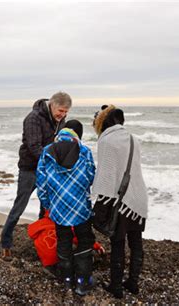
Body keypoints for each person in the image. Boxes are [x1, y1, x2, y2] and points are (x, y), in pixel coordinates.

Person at [0, 92, 72, 260]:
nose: (62, 115)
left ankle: (40, 241)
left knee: (45, 207)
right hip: (30, 169)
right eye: (60, 111)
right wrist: (54, 162)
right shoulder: (33, 118)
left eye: (66, 112)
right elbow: (34, 147)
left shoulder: (61, 121)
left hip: (48, 170)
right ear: (52, 104)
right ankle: (5, 243)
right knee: (19, 206)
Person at [92, 105, 148, 299]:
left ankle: (116, 286)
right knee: (136, 242)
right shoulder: (134, 139)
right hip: (138, 197)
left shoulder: (106, 140)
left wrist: (100, 201)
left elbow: (106, 175)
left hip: (119, 199)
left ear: (105, 121)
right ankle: (133, 283)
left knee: (117, 242)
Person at [35, 120, 96, 296]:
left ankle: (67, 279)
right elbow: (91, 176)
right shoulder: (84, 151)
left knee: (63, 241)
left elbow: (41, 183)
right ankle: (82, 282)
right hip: (81, 207)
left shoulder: (47, 152)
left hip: (59, 208)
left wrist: (49, 205)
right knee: (85, 240)